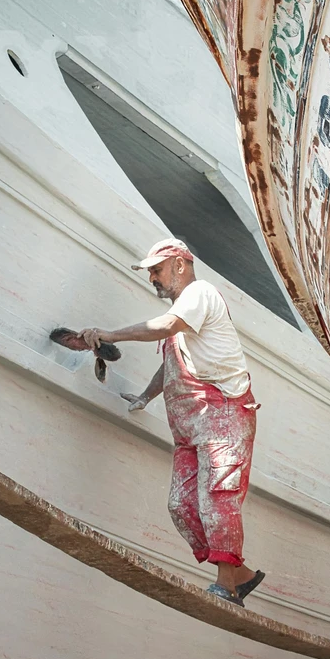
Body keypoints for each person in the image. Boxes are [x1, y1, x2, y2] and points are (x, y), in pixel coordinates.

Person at [78, 238, 264, 606]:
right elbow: (172, 366)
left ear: (180, 264)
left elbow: (163, 326)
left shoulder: (199, 294)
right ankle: (240, 575)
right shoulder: (185, 316)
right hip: (190, 428)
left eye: (157, 270)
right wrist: (146, 396)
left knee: (217, 498)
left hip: (222, 415)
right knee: (181, 505)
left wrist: (110, 335)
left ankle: (226, 584)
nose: (153, 279)